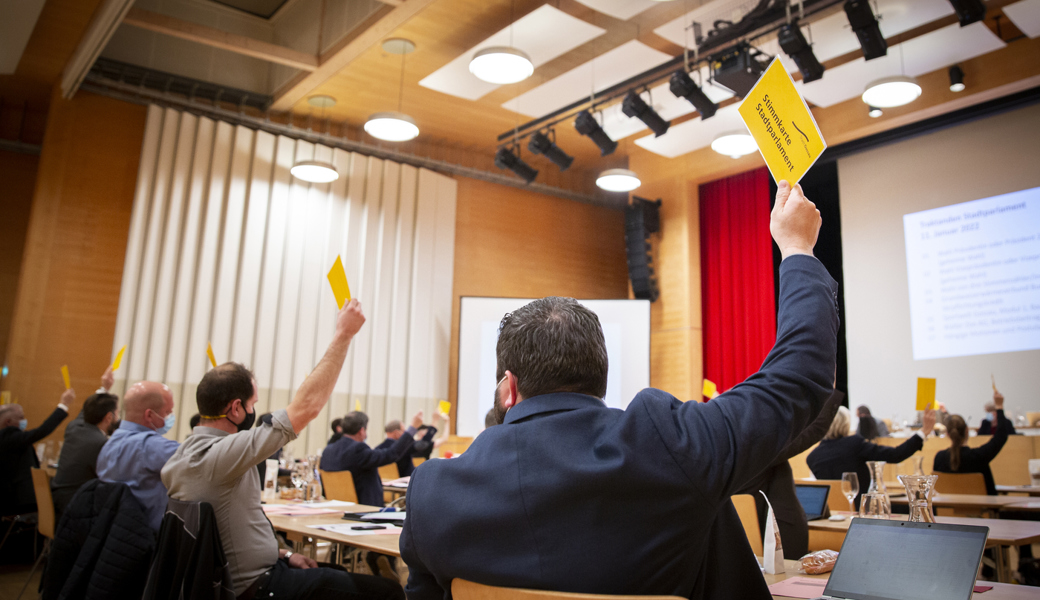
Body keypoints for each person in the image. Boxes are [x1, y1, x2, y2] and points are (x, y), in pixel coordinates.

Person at [401, 181, 837, 600]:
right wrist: (796, 248)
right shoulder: (670, 443)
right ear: (601, 376)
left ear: (509, 389)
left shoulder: (432, 492)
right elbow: (797, 378)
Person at [162, 299, 403, 600]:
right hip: (257, 587)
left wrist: (285, 554)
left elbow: (226, 533)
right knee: (389, 592)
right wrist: (344, 334)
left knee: (336, 573)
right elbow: (306, 407)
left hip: (254, 572)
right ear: (236, 409)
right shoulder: (222, 455)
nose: (254, 411)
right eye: (253, 404)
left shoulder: (179, 457)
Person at [736, 390, 844, 559]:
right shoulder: (759, 449)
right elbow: (815, 429)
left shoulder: (725, 451)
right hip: (779, 541)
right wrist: (832, 389)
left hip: (745, 540)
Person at [95, 380, 180, 531]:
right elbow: (204, 460)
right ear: (149, 415)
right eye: (167, 412)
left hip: (108, 532)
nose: (170, 417)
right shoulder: (152, 446)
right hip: (145, 538)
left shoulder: (108, 445)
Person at [807, 406, 935, 505]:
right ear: (846, 424)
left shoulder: (812, 457)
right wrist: (922, 433)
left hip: (833, 516)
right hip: (862, 511)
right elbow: (896, 454)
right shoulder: (855, 444)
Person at [321, 410, 423, 506]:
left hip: (335, 508)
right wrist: (412, 428)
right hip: (364, 509)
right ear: (362, 431)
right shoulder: (358, 449)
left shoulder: (327, 450)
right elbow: (391, 454)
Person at [0, 389, 75, 516]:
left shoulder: (10, 438)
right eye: (21, 417)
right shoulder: (8, 436)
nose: (24, 420)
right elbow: (41, 431)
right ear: (8, 422)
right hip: (19, 501)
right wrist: (63, 405)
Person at [51, 389, 118, 515]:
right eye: (117, 413)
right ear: (109, 417)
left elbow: (87, 410)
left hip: (57, 501)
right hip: (76, 510)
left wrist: (104, 389)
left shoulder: (73, 428)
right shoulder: (102, 444)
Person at [934, 390, 1010, 495]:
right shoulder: (979, 456)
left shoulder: (939, 458)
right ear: (967, 430)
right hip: (982, 506)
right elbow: (1001, 436)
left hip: (949, 506)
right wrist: (999, 407)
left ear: (948, 434)